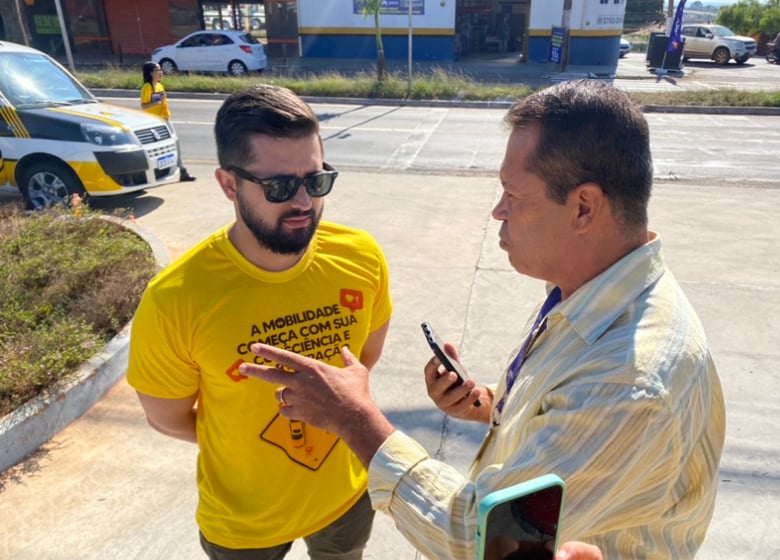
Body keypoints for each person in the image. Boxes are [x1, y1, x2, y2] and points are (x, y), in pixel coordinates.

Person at [238, 80, 726, 559]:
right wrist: (489, 407)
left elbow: (479, 538)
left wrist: (355, 419)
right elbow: (562, 418)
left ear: (583, 207)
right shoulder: (592, 294)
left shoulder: (626, 383)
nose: (498, 211)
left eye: (514, 195)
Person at [127, 84, 393, 559]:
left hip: (346, 498)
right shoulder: (176, 299)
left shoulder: (361, 257)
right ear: (229, 185)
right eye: (279, 187)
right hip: (243, 525)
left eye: (315, 180)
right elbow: (167, 419)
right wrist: (245, 438)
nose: (303, 203)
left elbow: (365, 359)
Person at [140, 61, 196, 181]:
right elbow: (144, 106)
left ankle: (182, 170)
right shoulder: (147, 87)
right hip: (153, 122)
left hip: (165, 118)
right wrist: (158, 101)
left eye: (160, 70)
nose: (160, 73)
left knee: (175, 143)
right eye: (157, 70)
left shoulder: (159, 86)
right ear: (150, 73)